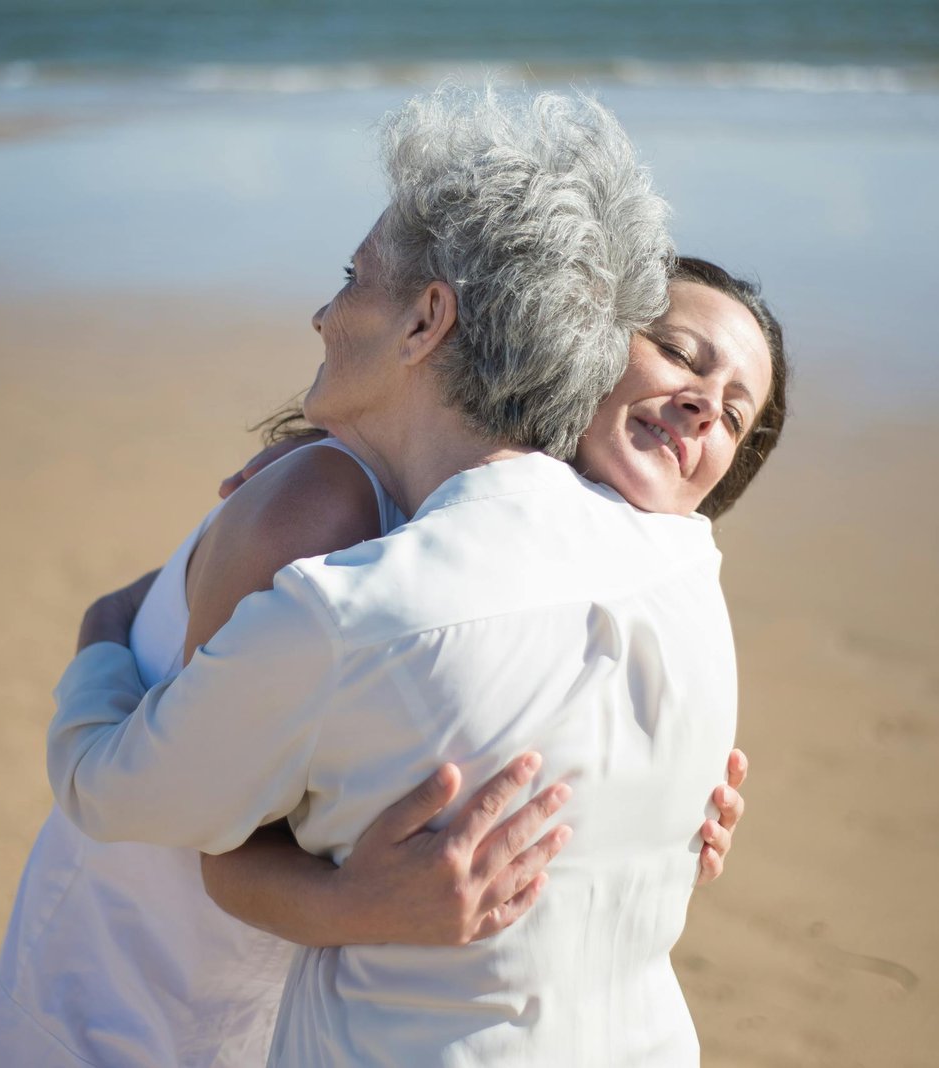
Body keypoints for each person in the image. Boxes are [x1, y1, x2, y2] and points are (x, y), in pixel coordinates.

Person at [47, 85, 772, 1065]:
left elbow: (116, 794)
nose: (321, 310)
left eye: (353, 276)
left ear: (429, 319)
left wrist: (102, 634)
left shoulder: (346, 612)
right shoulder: (688, 568)